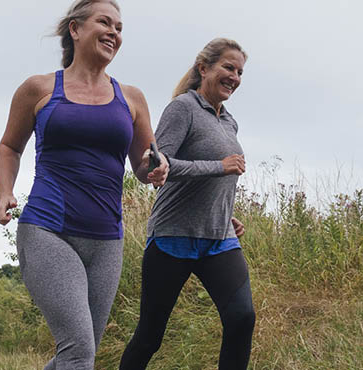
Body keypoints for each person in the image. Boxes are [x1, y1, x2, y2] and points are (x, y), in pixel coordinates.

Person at [0, 1, 168, 369]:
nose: (114, 33)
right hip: (47, 230)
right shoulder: (38, 88)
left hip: (107, 239)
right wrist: (5, 192)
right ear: (75, 29)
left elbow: (142, 162)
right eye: (104, 22)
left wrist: (156, 167)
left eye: (119, 28)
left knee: (77, 352)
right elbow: (9, 146)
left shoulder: (131, 98)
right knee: (79, 349)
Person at [119, 38, 255, 370]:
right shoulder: (183, 108)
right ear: (203, 68)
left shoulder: (229, 121)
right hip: (173, 237)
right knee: (150, 336)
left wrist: (226, 212)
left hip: (219, 238)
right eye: (228, 67)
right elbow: (159, 165)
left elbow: (212, 182)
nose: (234, 77)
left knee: (241, 319)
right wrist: (219, 166)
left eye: (239, 71)